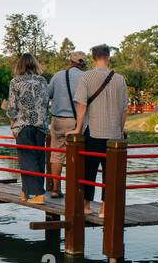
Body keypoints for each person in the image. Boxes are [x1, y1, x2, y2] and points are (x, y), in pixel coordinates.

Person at [72, 44, 128, 216]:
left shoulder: (86, 77)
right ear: (108, 57)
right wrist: (120, 130)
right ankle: (105, 207)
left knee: (89, 170)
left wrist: (77, 129)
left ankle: (86, 205)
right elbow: (124, 109)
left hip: (93, 130)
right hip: (114, 134)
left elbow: (81, 107)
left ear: (93, 58)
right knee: (110, 173)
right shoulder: (120, 79)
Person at [5, 53, 50, 203]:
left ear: (20, 65)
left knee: (26, 160)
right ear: (34, 64)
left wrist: (12, 125)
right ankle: (26, 192)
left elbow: (12, 107)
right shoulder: (43, 81)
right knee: (38, 159)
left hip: (23, 125)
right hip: (40, 125)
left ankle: (38, 194)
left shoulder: (15, 82)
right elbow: (45, 103)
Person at [45, 50, 86, 196]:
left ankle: (55, 189)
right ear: (84, 63)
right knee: (76, 154)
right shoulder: (85, 77)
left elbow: (48, 95)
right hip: (76, 122)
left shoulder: (58, 75)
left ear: (70, 61)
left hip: (57, 120)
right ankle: (74, 190)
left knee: (56, 154)